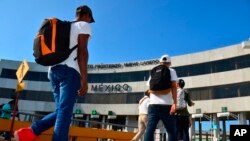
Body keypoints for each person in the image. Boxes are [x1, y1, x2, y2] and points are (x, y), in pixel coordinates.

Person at [14, 5, 95, 141]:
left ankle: (28, 133)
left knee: (61, 110)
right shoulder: (83, 25)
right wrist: (84, 79)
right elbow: (82, 52)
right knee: (64, 112)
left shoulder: (65, 27)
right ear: (86, 15)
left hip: (53, 71)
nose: (89, 22)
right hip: (69, 72)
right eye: (89, 19)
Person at [144, 54, 178, 141]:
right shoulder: (171, 71)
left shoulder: (154, 71)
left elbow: (149, 88)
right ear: (169, 63)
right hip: (167, 105)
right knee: (171, 131)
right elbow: (174, 87)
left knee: (149, 130)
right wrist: (174, 103)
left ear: (160, 62)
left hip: (153, 105)